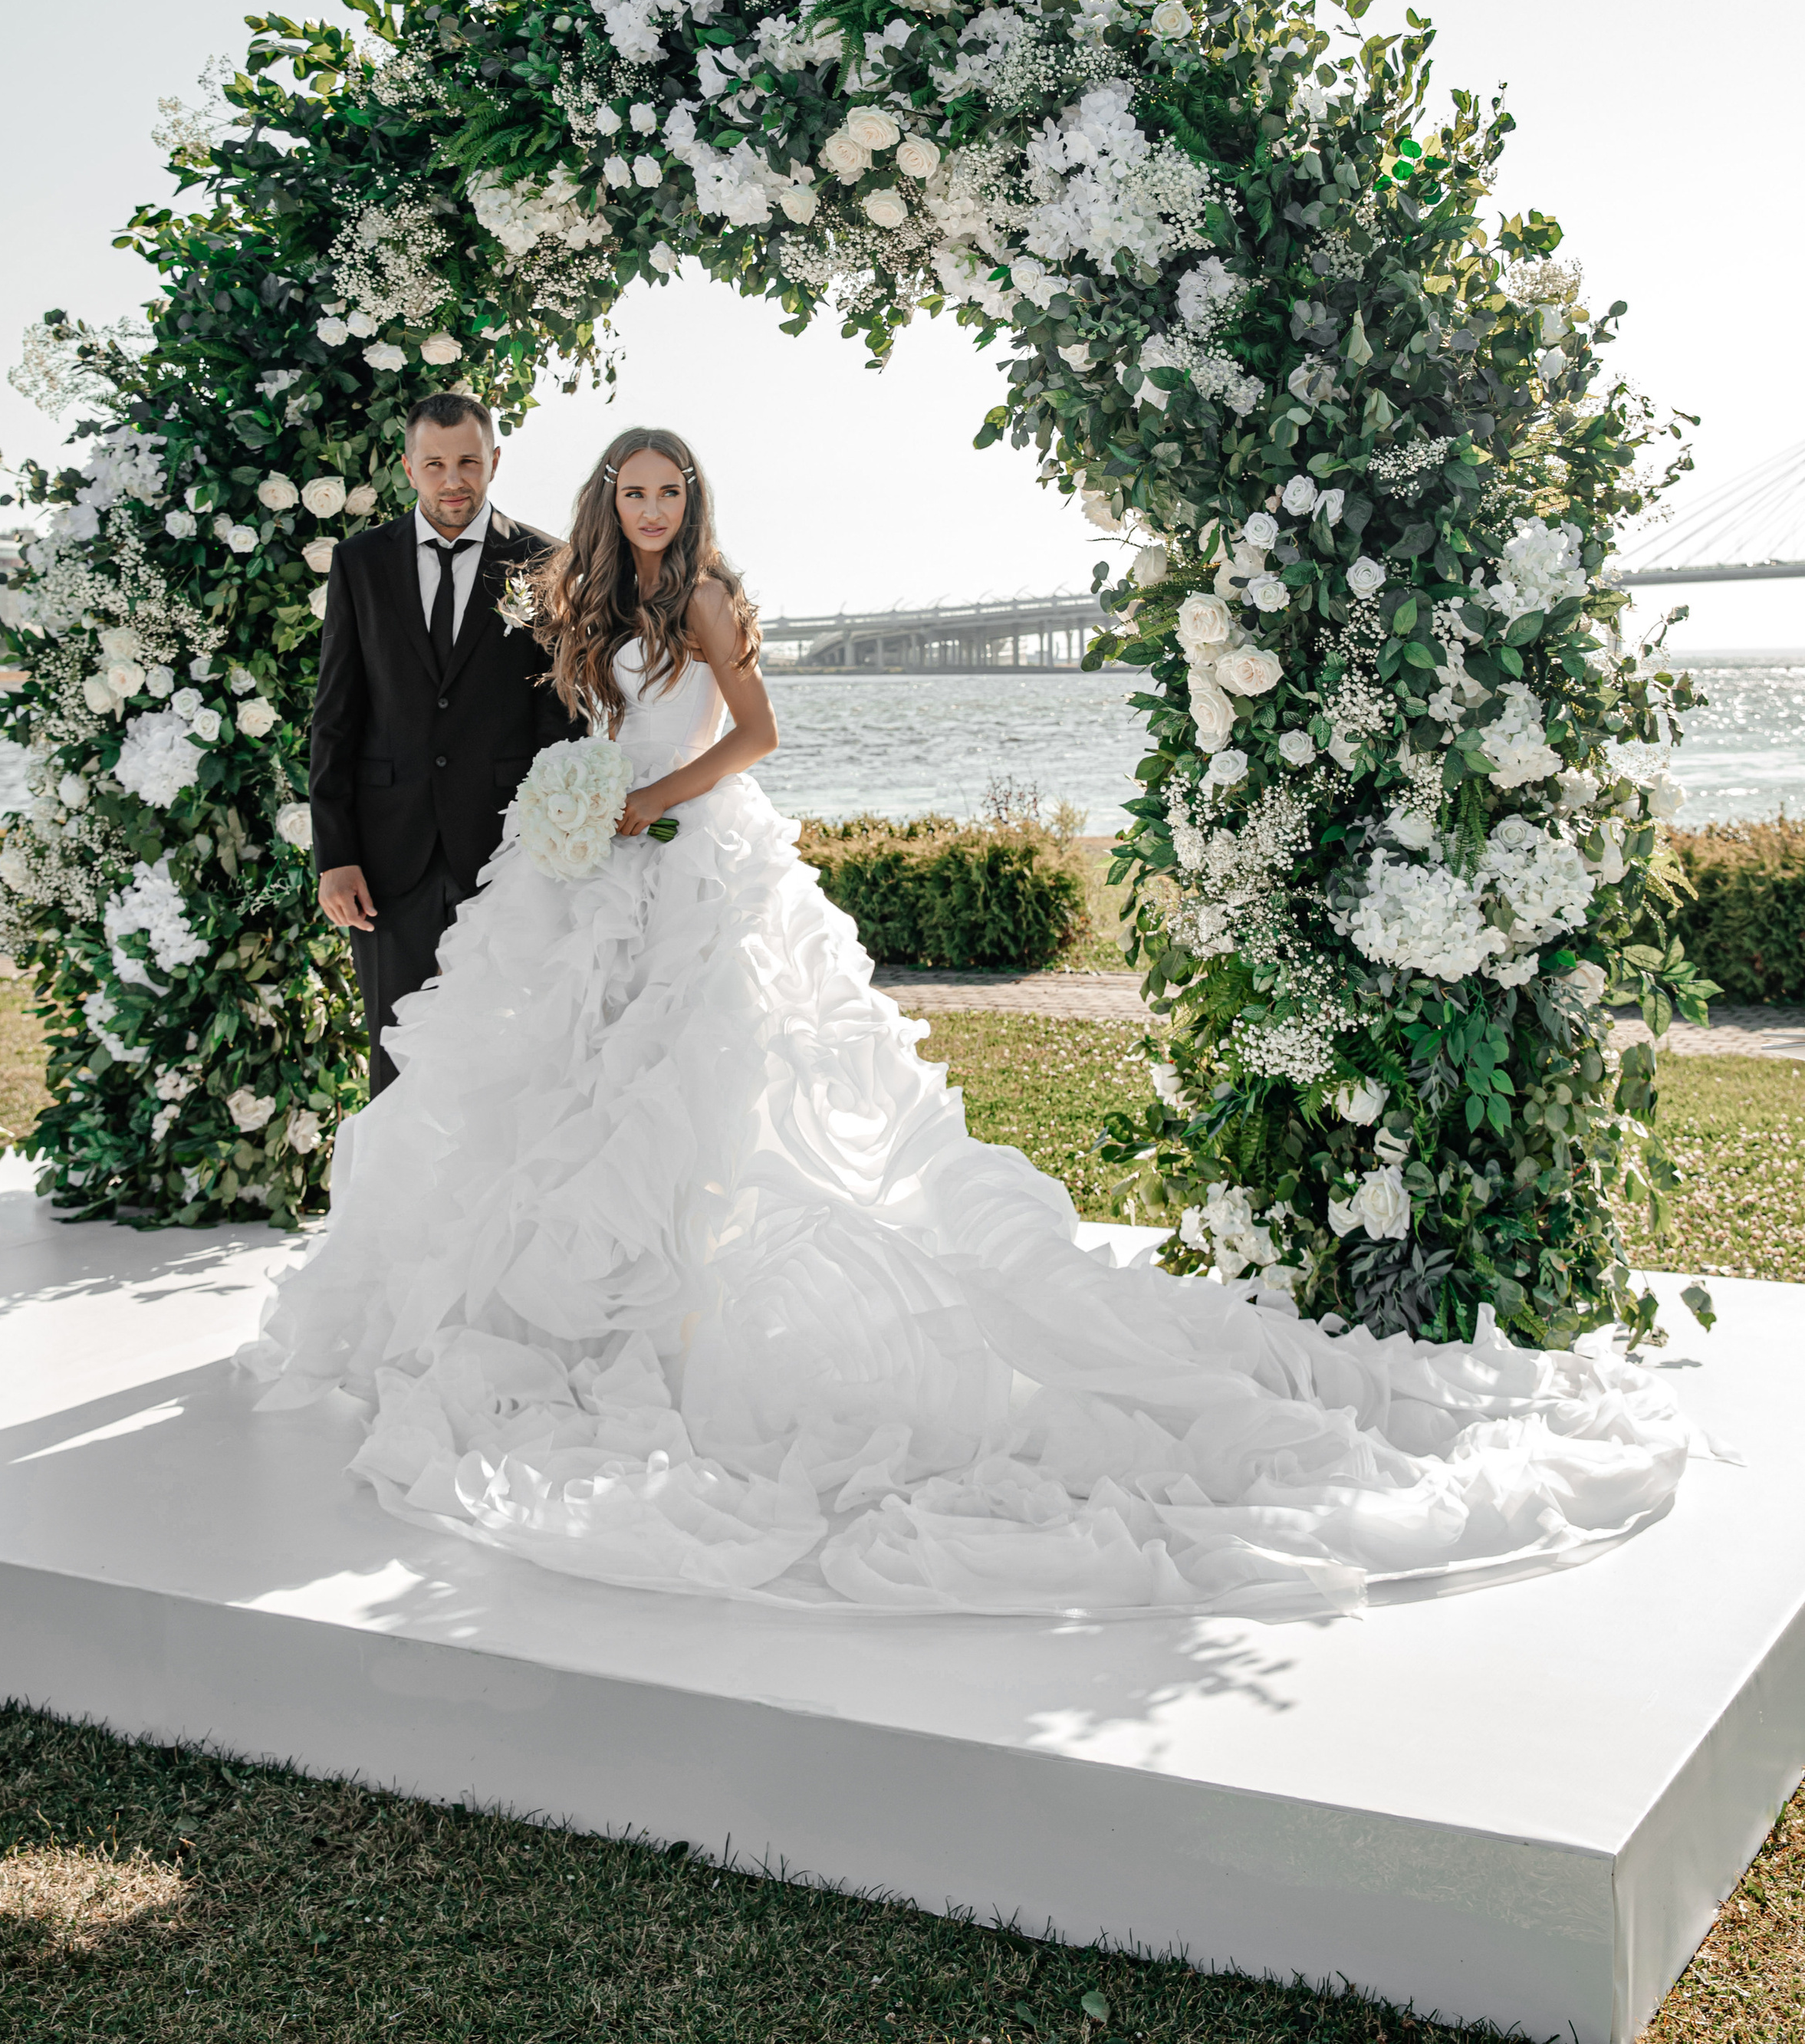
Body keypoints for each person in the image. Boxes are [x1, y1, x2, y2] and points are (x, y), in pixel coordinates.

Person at [248, 425, 1693, 1619]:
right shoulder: (576, 596)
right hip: (588, 881)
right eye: (632, 489)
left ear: (692, 500)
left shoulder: (703, 599)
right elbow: (530, 721)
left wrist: (641, 804)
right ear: (602, 499)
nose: (649, 508)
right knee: (576, 1098)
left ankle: (702, 1325)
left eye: (671, 489)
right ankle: (581, 1318)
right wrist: (575, 813)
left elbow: (754, 736)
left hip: (686, 863)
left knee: (705, 1098)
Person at [309, 391, 581, 1096]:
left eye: (468, 461)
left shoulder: (547, 562)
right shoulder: (361, 564)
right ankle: (396, 1211)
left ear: (495, 460)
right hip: (386, 862)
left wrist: (547, 848)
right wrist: (334, 855)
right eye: (436, 464)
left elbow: (559, 720)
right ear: (409, 467)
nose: (453, 479)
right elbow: (336, 717)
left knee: (506, 1054)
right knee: (396, 1055)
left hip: (503, 856)